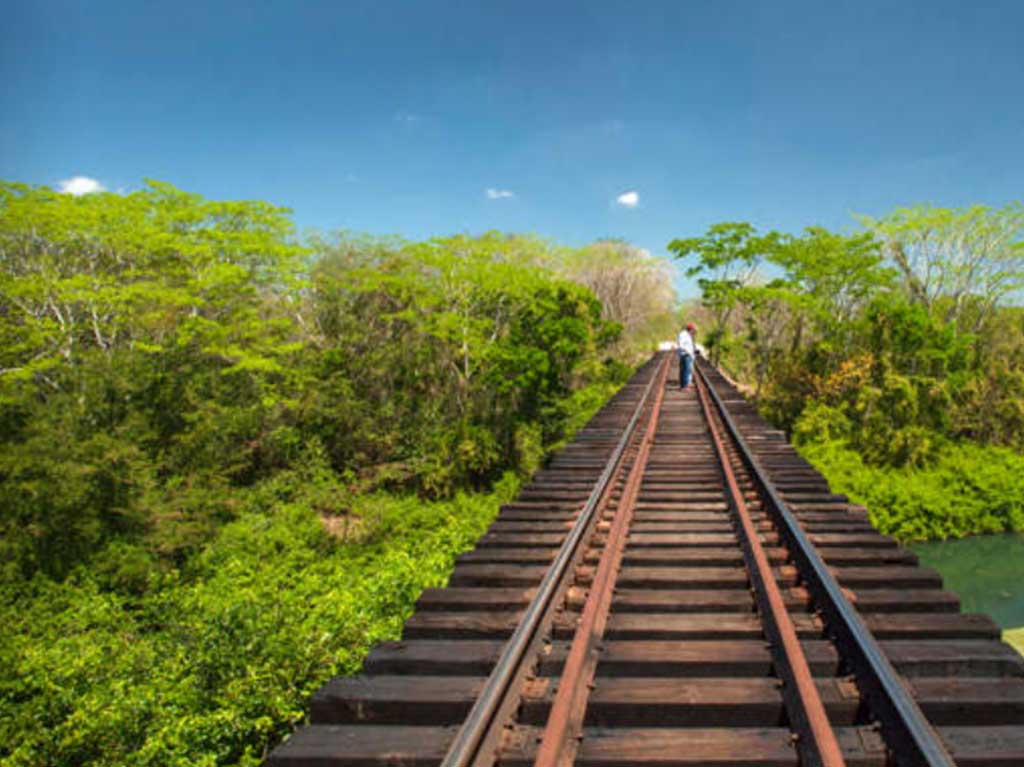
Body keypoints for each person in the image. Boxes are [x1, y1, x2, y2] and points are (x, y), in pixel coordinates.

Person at [677, 322, 697, 389]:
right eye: (693, 330)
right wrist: (688, 351)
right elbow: (681, 345)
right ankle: (685, 386)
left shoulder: (688, 335)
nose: (693, 331)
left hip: (688, 355)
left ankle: (685, 385)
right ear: (690, 329)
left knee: (686, 370)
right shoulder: (683, 334)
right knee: (686, 370)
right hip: (685, 355)